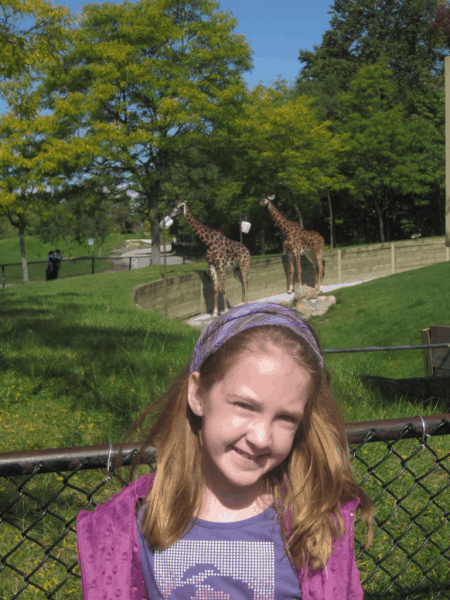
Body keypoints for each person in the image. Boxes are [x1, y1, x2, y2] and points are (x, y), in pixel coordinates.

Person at [76, 303, 375, 600]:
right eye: (244, 406)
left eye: (286, 418)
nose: (261, 438)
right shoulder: (128, 524)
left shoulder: (316, 525)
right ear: (197, 394)